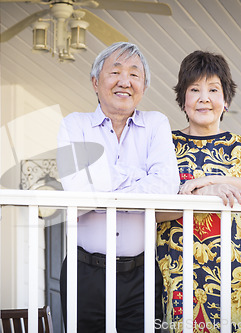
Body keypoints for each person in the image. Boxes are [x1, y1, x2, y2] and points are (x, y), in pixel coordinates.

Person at [57, 42, 180, 332]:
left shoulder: (156, 124)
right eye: (115, 72)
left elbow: (165, 186)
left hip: (140, 275)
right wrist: (139, 178)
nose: (125, 81)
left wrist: (102, 183)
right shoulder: (74, 125)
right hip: (83, 272)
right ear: (95, 82)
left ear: (144, 87)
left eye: (134, 74)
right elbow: (77, 188)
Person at [155, 50, 241, 332]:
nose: (204, 98)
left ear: (225, 99)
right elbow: (151, 208)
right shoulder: (165, 143)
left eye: (213, 89)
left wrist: (216, 180)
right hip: (177, 266)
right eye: (194, 89)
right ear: (182, 99)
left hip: (235, 267)